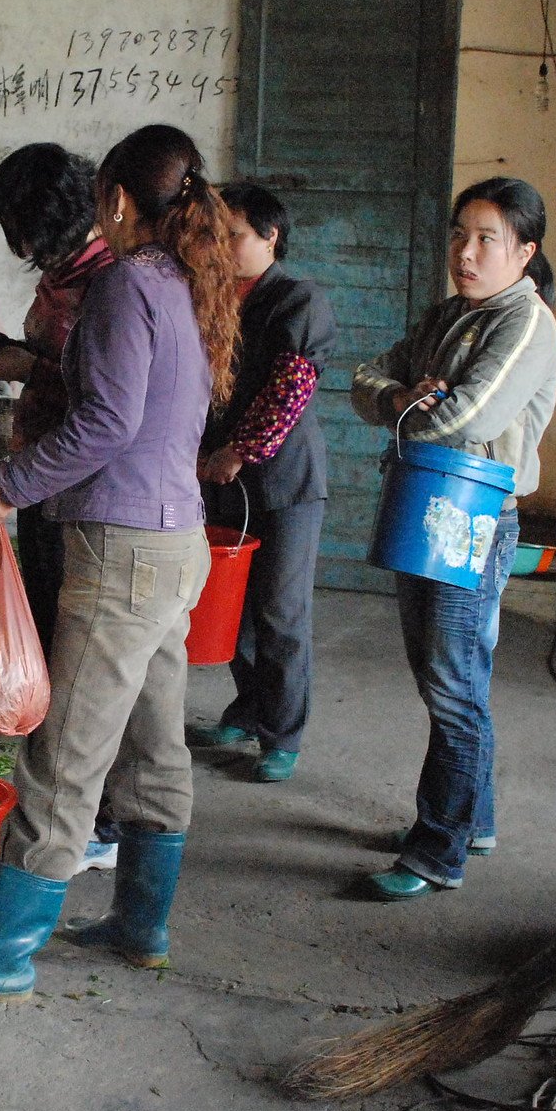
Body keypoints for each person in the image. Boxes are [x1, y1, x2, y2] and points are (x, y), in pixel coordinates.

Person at [0, 124, 242, 1006]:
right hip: (175, 545)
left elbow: (104, 424)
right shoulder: (183, 279)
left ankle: (4, 953)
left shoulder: (129, 280)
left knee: (64, 760)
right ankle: (141, 925)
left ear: (119, 201)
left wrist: (6, 485)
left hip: (123, 546)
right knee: (155, 743)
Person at [348, 177, 556, 902]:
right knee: (451, 675)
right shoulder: (449, 315)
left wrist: (405, 408)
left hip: (475, 515)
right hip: (423, 500)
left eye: (486, 239)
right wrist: (399, 397)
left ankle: (437, 849)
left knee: (452, 682)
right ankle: (474, 820)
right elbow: (364, 378)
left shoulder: (524, 322)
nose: (465, 253)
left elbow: (465, 418)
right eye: (458, 235)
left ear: (524, 252)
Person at [0, 142, 122, 872]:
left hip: (78, 494)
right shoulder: (70, 275)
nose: (17, 244)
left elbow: (104, 408)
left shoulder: (110, 286)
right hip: (45, 483)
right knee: (57, 641)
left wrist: (23, 366)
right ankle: (88, 813)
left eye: (16, 226)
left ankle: (80, 824)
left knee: (77, 664)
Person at [185, 182, 337, 783]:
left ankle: (283, 732)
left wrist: (239, 451)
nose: (223, 247)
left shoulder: (297, 299)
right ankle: (247, 710)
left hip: (283, 481)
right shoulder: (212, 298)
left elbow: (290, 390)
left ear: (271, 238)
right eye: (216, 236)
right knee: (235, 607)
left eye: (237, 236)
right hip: (221, 475)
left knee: (279, 609)